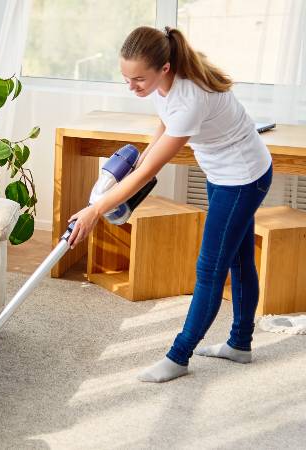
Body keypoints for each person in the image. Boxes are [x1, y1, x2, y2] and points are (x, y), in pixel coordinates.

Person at [66, 26, 273, 383]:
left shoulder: (189, 97)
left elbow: (149, 171)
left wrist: (96, 209)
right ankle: (240, 344)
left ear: (164, 68)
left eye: (138, 79)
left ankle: (178, 357)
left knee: (210, 270)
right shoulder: (166, 85)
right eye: (126, 79)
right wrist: (128, 174)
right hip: (225, 174)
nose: (132, 87)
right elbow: (159, 135)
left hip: (242, 179)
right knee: (238, 259)